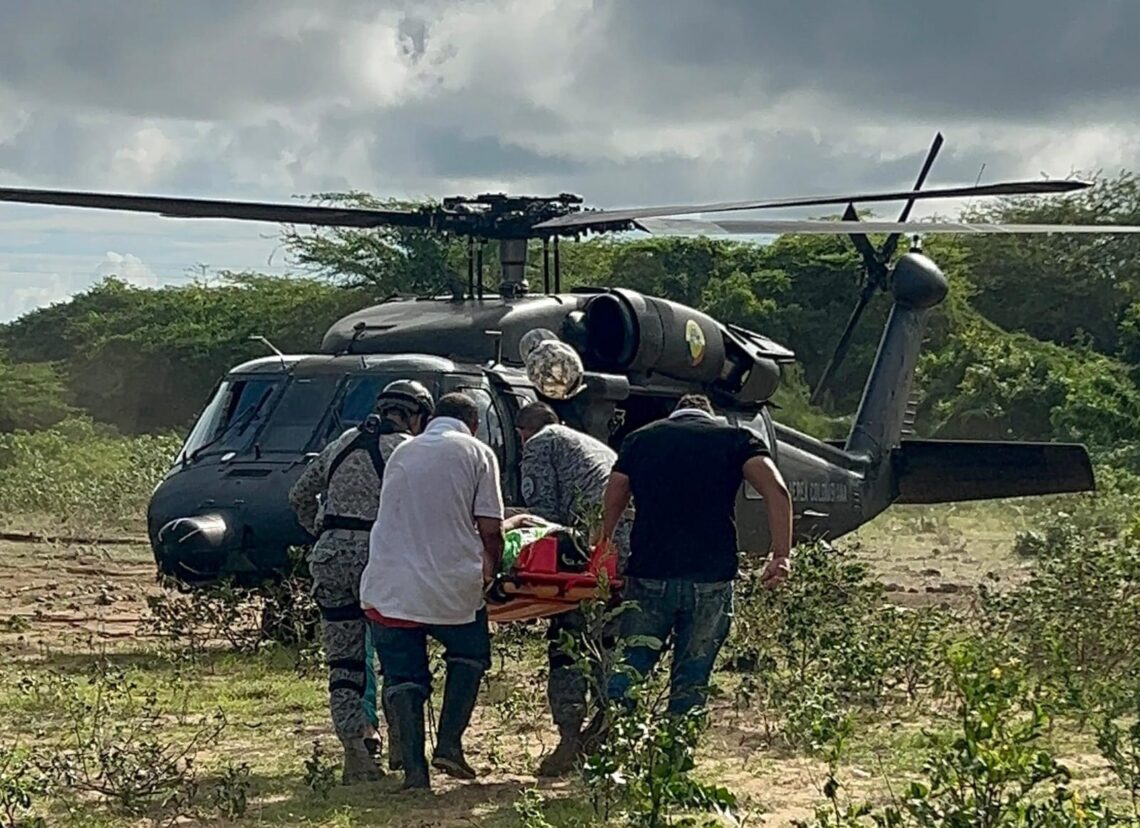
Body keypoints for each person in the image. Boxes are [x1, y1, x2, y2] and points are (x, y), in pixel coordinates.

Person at [600, 393, 794, 717]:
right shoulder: (736, 439)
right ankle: (675, 754)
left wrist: (602, 546)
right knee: (693, 673)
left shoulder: (640, 440)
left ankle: (610, 740)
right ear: (709, 415)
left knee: (632, 663)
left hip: (650, 572)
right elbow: (778, 491)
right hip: (712, 577)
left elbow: (614, 496)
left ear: (675, 414)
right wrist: (780, 554)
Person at [287, 379, 435, 785]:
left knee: (345, 661)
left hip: (331, 560)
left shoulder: (342, 442)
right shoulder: (409, 450)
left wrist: (321, 531)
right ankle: (405, 750)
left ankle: (356, 752)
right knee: (397, 654)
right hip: (381, 560)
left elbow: (299, 495)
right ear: (417, 415)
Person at [361, 392, 505, 791]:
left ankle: (414, 773)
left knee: (402, 677)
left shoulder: (402, 454)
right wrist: (493, 568)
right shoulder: (478, 453)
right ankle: (448, 746)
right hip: (452, 585)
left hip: (389, 585)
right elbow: (491, 529)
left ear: (429, 420)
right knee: (470, 655)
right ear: (472, 424)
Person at [514, 401, 633, 777]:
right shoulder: (588, 445)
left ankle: (569, 738)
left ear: (523, 434)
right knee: (608, 639)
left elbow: (544, 521)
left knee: (568, 637)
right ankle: (608, 724)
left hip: (594, 545)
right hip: (627, 544)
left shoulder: (539, 444)